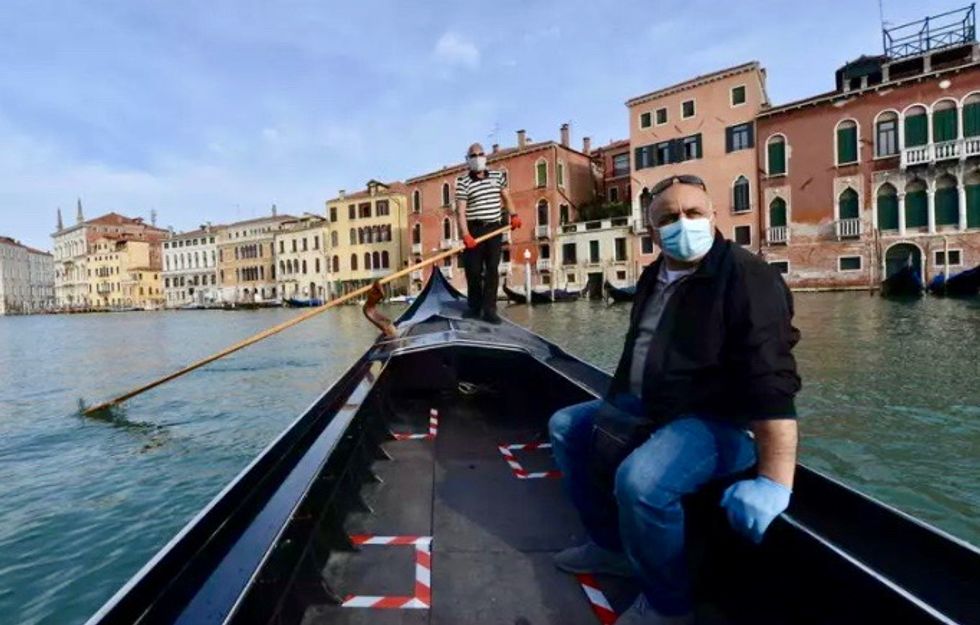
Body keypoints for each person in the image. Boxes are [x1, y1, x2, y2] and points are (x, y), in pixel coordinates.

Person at [548, 175, 801, 625]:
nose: (683, 223)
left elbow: (771, 376)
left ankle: (668, 607)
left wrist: (775, 480)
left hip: (718, 419)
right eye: (669, 217)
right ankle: (610, 547)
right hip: (651, 406)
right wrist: (617, 406)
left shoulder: (748, 275)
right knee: (567, 427)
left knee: (641, 483)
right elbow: (638, 350)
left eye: (693, 212)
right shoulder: (653, 275)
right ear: (652, 230)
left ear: (713, 216)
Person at [456, 142, 521, 324]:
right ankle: (474, 307)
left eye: (480, 154)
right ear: (468, 159)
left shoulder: (498, 176)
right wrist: (466, 235)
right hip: (474, 229)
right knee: (473, 270)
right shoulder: (462, 182)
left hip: (494, 228)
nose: (477, 158)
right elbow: (460, 212)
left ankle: (490, 310)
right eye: (473, 155)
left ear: (485, 157)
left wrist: (514, 215)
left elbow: (506, 197)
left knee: (492, 269)